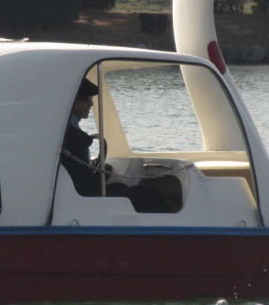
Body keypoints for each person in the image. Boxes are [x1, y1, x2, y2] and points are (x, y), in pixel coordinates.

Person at [59, 78, 179, 213]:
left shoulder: (64, 130)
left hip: (80, 195)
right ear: (71, 101)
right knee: (147, 191)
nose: (91, 103)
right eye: (85, 99)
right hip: (86, 201)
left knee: (119, 185)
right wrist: (98, 174)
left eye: (90, 98)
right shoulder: (72, 137)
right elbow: (84, 182)